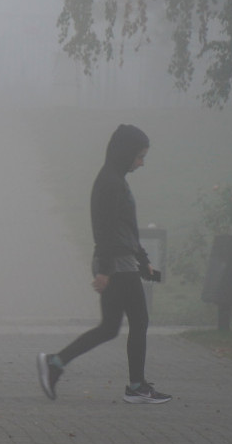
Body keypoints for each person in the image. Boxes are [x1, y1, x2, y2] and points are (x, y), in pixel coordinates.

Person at [37, 124, 172, 404]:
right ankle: (136, 386)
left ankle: (56, 363)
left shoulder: (116, 180)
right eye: (139, 156)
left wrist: (143, 262)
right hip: (117, 265)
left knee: (110, 327)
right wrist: (106, 271)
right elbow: (106, 229)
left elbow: (127, 229)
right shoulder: (110, 183)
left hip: (122, 262)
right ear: (125, 153)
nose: (141, 163)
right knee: (139, 321)